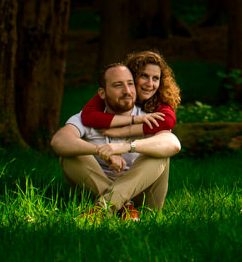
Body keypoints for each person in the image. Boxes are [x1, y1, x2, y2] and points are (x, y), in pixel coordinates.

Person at [50, 63, 182, 220]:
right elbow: (59, 141)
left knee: (160, 154)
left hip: (143, 196)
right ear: (102, 93)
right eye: (118, 85)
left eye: (130, 84)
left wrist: (124, 147)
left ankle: (104, 207)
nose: (127, 91)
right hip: (95, 189)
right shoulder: (87, 117)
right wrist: (100, 150)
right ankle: (124, 207)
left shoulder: (150, 116)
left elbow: (173, 143)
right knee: (70, 153)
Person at [80, 49, 181, 138]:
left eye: (155, 78)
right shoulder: (116, 95)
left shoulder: (159, 98)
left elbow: (168, 121)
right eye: (144, 76)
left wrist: (122, 132)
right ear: (132, 76)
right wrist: (134, 119)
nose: (150, 84)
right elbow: (88, 116)